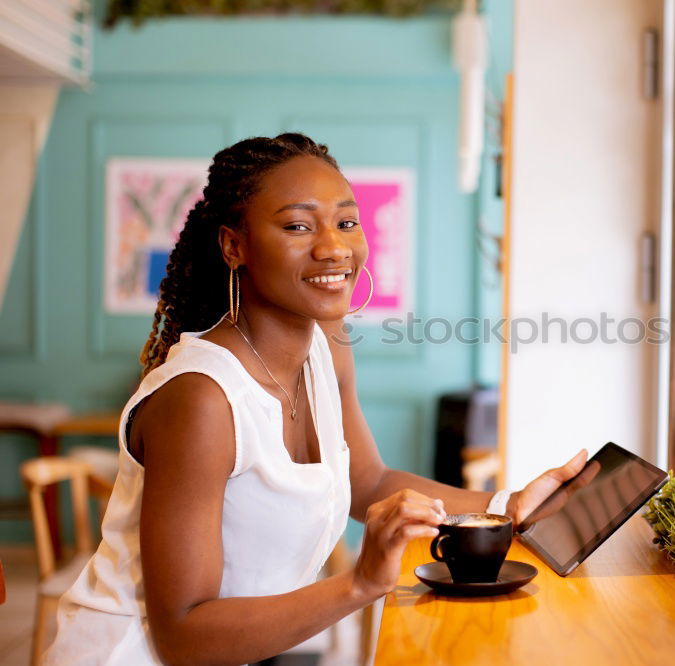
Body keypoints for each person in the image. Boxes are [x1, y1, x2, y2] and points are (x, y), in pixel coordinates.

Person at [44, 133, 586, 665]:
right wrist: (359, 584)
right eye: (298, 226)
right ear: (235, 246)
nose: (334, 247)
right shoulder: (202, 398)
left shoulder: (327, 347)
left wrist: (504, 508)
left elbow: (366, 484)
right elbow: (184, 637)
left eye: (347, 222)